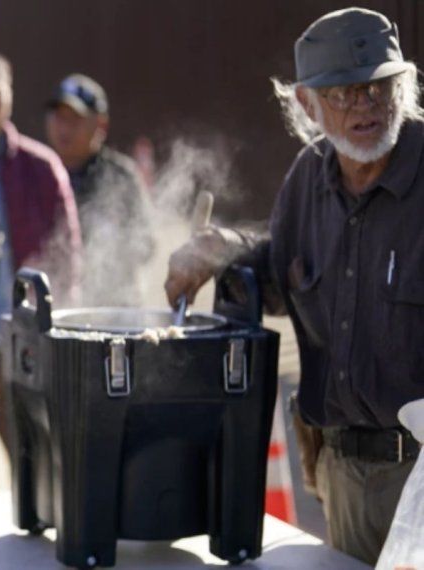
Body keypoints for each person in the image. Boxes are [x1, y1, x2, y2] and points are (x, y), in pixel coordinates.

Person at [164, 8, 424, 564]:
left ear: (405, 86)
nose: (366, 106)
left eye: (380, 87)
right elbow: (281, 272)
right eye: (344, 93)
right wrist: (222, 247)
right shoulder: (310, 178)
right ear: (307, 105)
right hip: (346, 474)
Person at [0, 46, 82, 455]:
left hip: (22, 344)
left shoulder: (40, 167)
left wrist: (55, 328)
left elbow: (68, 253)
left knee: (39, 461)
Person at [45, 73, 154, 305]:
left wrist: (103, 255)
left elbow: (145, 243)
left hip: (112, 305)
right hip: (52, 302)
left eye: (75, 119)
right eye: (59, 118)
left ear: (100, 124)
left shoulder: (120, 176)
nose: (65, 128)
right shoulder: (39, 170)